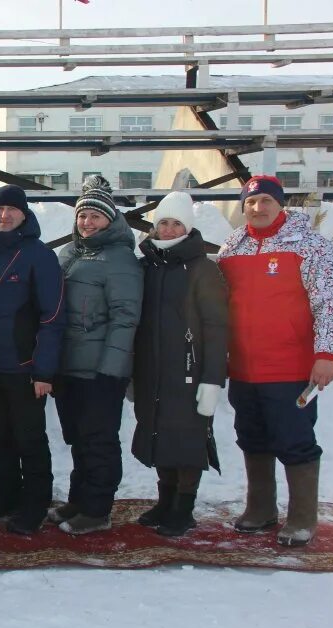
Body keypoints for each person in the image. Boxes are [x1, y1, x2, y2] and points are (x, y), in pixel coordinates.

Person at [217, 175, 333, 547]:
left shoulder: (310, 246)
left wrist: (327, 354)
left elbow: (332, 303)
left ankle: (303, 518)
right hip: (243, 367)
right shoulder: (233, 247)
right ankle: (261, 509)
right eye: (251, 203)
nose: (258, 209)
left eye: (265, 202)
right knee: (252, 438)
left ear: (280, 204)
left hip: (290, 367)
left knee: (294, 440)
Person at [131, 192, 229, 537]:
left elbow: (217, 326)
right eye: (163, 223)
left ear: (187, 227)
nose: (169, 229)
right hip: (152, 369)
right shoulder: (146, 265)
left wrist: (213, 379)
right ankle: (165, 499)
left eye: (176, 224)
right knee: (159, 432)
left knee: (187, 438)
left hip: (190, 370)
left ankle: (184, 507)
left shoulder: (203, 269)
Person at [0, 185, 66, 535]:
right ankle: (5, 494)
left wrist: (44, 369)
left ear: (24, 214)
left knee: (30, 439)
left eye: (12, 210)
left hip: (24, 368)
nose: (5, 215)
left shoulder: (39, 255)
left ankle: (35, 504)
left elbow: (52, 315)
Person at [52, 175, 143, 535]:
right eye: (82, 216)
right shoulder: (71, 254)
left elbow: (126, 316)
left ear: (110, 220)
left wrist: (111, 370)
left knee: (99, 438)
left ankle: (97, 508)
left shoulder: (119, 258)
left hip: (101, 369)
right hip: (69, 365)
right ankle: (79, 499)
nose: (87, 223)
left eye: (95, 217)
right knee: (78, 436)